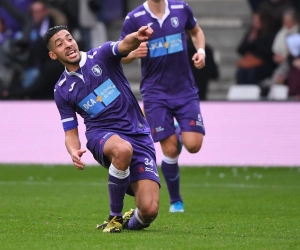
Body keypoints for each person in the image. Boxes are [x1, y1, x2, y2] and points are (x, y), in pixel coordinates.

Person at [43, 25, 160, 233]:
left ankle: (129, 221)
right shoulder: (61, 90)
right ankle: (114, 217)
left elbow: (125, 45)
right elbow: (70, 132)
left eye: (68, 39)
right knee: (122, 150)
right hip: (101, 134)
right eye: (59, 44)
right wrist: (73, 151)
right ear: (53, 54)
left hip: (138, 134)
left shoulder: (102, 55)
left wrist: (136, 36)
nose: (67, 44)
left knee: (149, 210)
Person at [120, 0, 206, 213]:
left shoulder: (181, 8)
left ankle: (177, 132)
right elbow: (121, 54)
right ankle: (176, 200)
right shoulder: (134, 18)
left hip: (184, 89)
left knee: (194, 145)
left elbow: (196, 32)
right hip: (155, 93)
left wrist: (201, 51)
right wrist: (133, 53)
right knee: (168, 149)